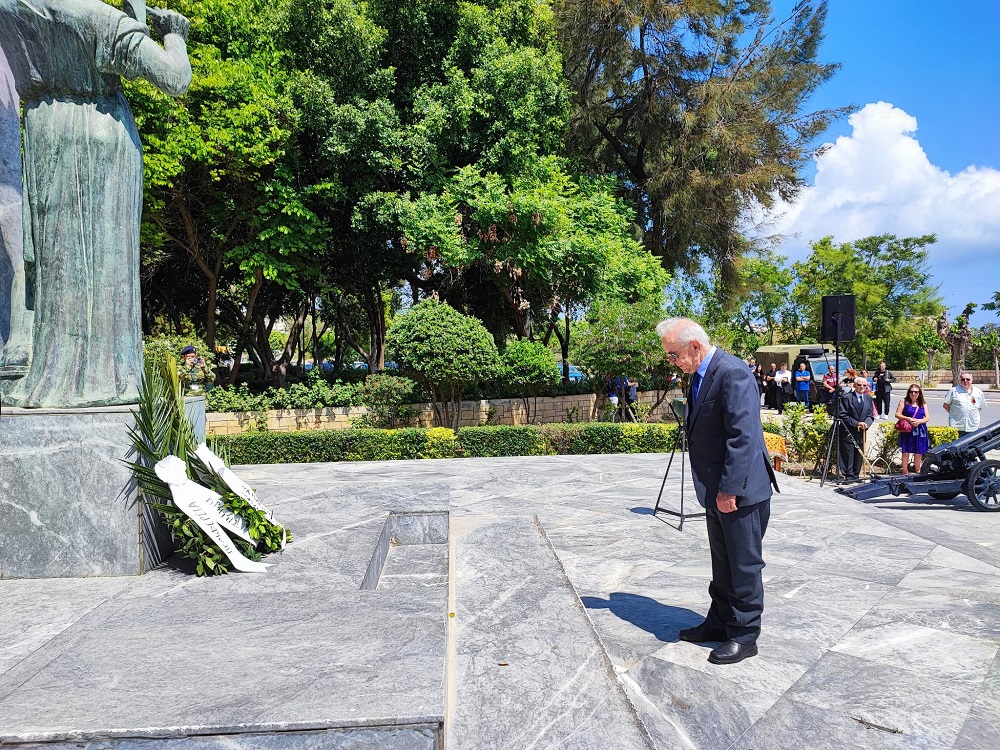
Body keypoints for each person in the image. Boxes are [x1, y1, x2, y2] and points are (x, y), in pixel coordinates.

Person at [0, 1, 192, 407]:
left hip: (44, 129)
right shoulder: (97, 19)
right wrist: (175, 33)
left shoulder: (15, 7)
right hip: (99, 137)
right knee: (101, 266)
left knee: (57, 264)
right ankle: (105, 379)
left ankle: (54, 377)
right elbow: (174, 78)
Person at [656, 317, 778, 666]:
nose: (672, 361)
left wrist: (728, 490)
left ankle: (744, 634)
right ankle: (720, 620)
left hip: (739, 491)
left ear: (694, 346)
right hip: (715, 488)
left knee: (744, 564)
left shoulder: (733, 372)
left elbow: (743, 437)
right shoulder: (700, 374)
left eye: (674, 354)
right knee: (722, 561)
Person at [838, 377, 875, 482]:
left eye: (864, 385)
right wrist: (856, 423)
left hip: (861, 430)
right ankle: (848, 475)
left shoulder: (868, 398)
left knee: (859, 453)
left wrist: (866, 424)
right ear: (854, 385)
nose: (862, 387)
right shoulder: (847, 397)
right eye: (859, 385)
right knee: (848, 452)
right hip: (848, 430)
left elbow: (870, 415)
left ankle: (856, 474)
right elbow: (843, 414)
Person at [895, 384, 930, 474]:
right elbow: (897, 414)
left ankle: (918, 471)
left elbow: (927, 418)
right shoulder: (904, 401)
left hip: (920, 430)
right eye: (911, 391)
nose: (913, 393)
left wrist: (919, 421)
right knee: (905, 452)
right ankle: (905, 472)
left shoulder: (923, 403)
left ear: (919, 393)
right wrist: (908, 419)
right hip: (908, 430)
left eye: (916, 392)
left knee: (918, 453)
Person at [944, 372, 986, 436]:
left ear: (972, 380)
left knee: (972, 445)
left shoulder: (978, 392)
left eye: (968, 379)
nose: (965, 381)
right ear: (960, 380)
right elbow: (945, 405)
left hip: (973, 426)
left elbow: (979, 407)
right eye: (963, 379)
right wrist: (954, 414)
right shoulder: (953, 391)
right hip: (957, 426)